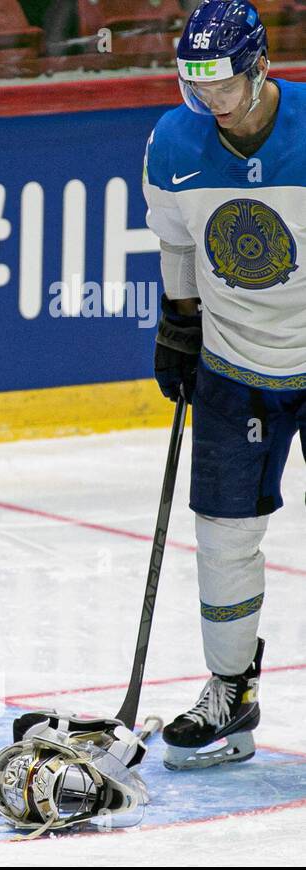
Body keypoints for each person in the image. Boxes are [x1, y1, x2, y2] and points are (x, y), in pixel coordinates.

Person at [143, 0, 303, 769]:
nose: (210, 101)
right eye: (196, 83)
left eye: (224, 84)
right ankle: (231, 688)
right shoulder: (175, 141)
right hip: (235, 369)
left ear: (261, 65)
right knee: (224, 537)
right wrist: (178, 326)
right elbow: (177, 242)